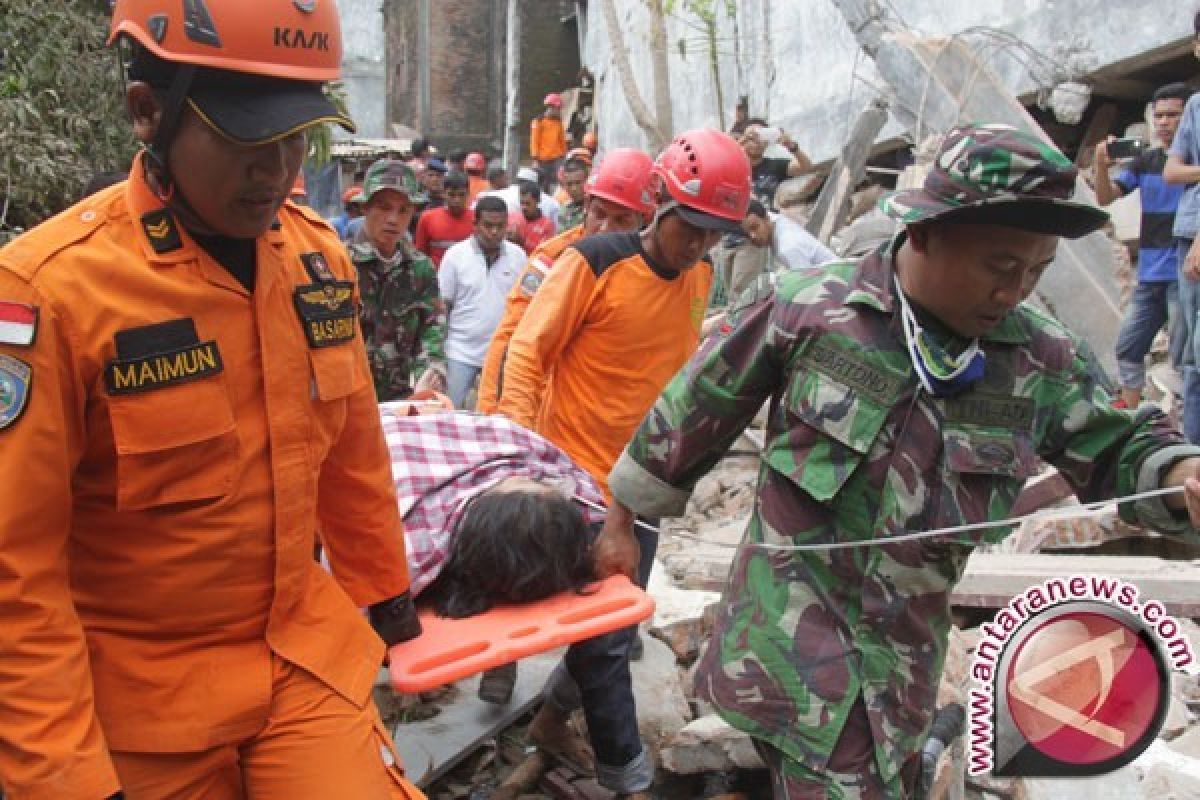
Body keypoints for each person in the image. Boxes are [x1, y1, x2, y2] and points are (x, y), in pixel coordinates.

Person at [595, 123, 1200, 799]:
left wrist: (1179, 477)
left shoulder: (1038, 360)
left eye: (1036, 272)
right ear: (925, 233)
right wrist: (621, 522)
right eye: (1001, 267)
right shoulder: (807, 311)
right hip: (785, 651)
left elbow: (1120, 445)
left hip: (902, 668)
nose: (1015, 293)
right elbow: (691, 414)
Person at [0, 1, 427, 798]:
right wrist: (63, 777)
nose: (275, 170)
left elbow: (355, 451)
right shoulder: (48, 294)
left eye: (295, 137)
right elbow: (11, 571)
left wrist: (387, 599)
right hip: (139, 705)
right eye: (242, 139)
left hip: (300, 660)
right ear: (146, 112)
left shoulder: (317, 261)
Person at [496, 129, 751, 800]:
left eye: (714, 234)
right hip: (576, 481)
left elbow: (675, 371)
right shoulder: (592, 262)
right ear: (660, 203)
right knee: (610, 640)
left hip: (641, 485)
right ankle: (630, 783)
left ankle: (550, 725)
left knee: (613, 628)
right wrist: (520, 460)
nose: (697, 245)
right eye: (690, 227)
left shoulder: (699, 278)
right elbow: (527, 353)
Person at [476, 147, 656, 415]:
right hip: (552, 410)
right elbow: (510, 339)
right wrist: (493, 416)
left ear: (644, 222)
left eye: (622, 220)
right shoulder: (552, 258)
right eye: (600, 214)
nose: (605, 229)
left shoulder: (650, 268)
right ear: (586, 207)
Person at [1096, 83, 1191, 410]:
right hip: (1150, 275)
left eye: (1173, 115)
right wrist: (1100, 165)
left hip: (1184, 274)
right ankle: (1130, 422)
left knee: (1184, 355)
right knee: (1129, 347)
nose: (1164, 123)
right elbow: (1105, 198)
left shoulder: (1191, 166)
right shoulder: (1145, 161)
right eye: (1159, 116)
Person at [350, 158, 447, 401]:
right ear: (365, 208)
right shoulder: (341, 264)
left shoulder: (420, 268)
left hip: (403, 400)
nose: (393, 219)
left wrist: (430, 370)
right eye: (384, 207)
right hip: (351, 401)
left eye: (403, 210)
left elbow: (432, 328)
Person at [438, 196, 526, 409]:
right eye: (488, 225)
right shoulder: (455, 256)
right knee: (451, 412)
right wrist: (439, 353)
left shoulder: (519, 257)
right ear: (475, 224)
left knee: (496, 416)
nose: (494, 232)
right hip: (460, 352)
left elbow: (525, 306)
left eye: (500, 226)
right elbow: (443, 307)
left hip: (501, 355)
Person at [1166, 16, 1200, 443]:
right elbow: (1173, 171)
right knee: (1193, 357)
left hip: (1195, 239)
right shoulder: (1195, 106)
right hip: (1188, 234)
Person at [741, 199, 837, 273]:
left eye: (755, 227)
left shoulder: (788, 247)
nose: (752, 236)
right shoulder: (774, 222)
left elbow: (807, 287)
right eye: (747, 232)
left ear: (766, 219)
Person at [414, 171, 475, 267]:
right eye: (451, 195)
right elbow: (420, 254)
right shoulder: (427, 218)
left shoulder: (476, 219)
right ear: (443, 193)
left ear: (468, 194)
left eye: (461, 195)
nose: (457, 200)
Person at [531, 93, 568, 193]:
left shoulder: (558, 123)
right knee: (544, 184)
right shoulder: (538, 121)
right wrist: (535, 159)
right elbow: (534, 141)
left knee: (559, 180)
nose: (559, 111)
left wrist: (564, 155)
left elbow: (562, 140)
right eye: (558, 108)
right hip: (543, 160)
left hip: (557, 158)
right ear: (550, 107)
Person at [511, 181, 557, 252]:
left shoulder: (547, 225)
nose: (524, 207)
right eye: (522, 203)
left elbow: (544, 252)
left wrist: (521, 241)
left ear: (538, 201)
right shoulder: (512, 218)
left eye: (527, 203)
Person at [556, 154, 592, 230]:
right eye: (569, 184)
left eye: (578, 183)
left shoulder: (597, 208)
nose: (574, 188)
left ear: (587, 180)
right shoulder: (564, 211)